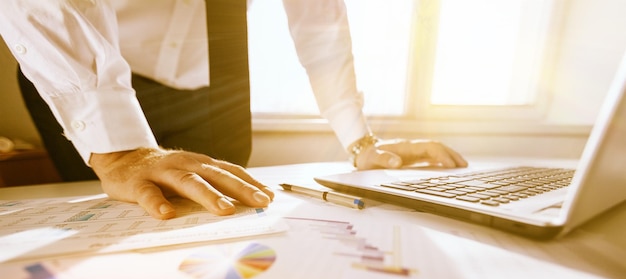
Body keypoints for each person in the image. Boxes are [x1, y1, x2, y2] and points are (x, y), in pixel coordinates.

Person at [0, 0, 467, 220]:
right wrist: (118, 150)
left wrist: (360, 139)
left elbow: (319, 17)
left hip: (213, 62)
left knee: (220, 217)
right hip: (80, 61)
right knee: (120, 217)